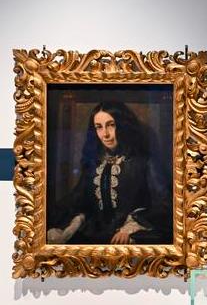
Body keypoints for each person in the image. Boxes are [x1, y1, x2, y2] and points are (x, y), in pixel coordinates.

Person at [47, 101, 168, 244]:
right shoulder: (95, 163)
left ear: (123, 126)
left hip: (130, 238)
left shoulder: (144, 161)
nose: (105, 134)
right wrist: (75, 220)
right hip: (96, 235)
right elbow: (78, 199)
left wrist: (130, 228)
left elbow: (164, 203)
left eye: (111, 125)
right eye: (99, 127)